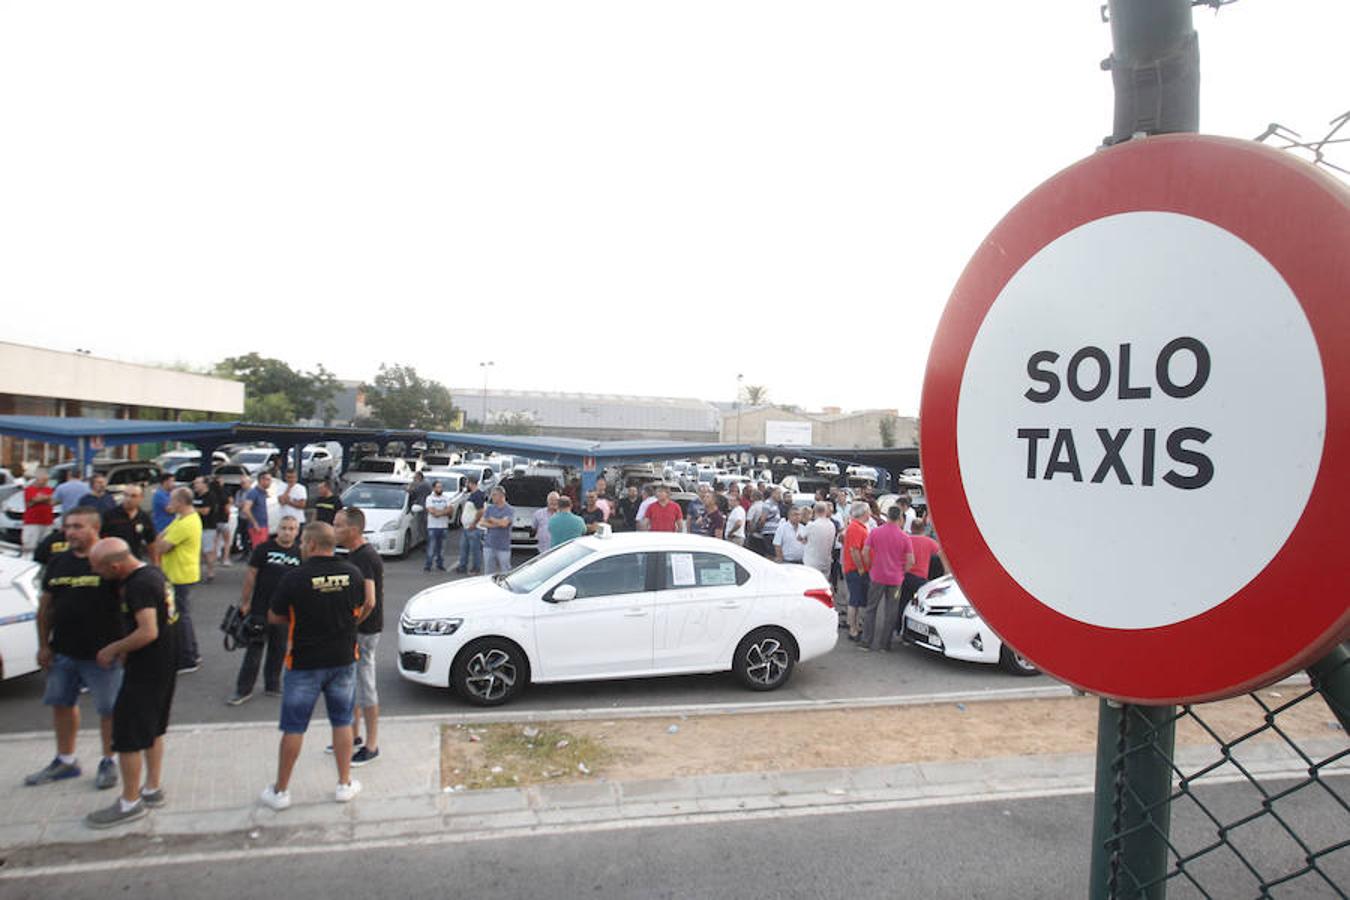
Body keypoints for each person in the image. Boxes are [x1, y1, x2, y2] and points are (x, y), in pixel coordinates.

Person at [260, 522, 371, 810]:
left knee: (294, 727)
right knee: (343, 722)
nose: (299, 546)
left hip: (303, 663)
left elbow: (274, 616)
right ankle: (344, 784)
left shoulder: (294, 577)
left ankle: (281, 791)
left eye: (302, 542)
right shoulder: (352, 572)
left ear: (310, 544)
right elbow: (363, 605)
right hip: (343, 659)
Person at [24, 509, 124, 792]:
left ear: (95, 529)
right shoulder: (58, 562)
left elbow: (130, 605)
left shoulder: (109, 560)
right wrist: (44, 645)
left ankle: (109, 761)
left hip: (103, 655)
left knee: (109, 710)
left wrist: (124, 646)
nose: (70, 532)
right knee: (62, 705)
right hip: (63, 652)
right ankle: (65, 760)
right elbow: (46, 607)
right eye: (67, 526)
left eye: (77, 526)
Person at [84, 537, 178, 828]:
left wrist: (113, 649)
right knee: (153, 729)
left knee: (127, 736)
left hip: (147, 669)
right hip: (165, 664)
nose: (99, 574)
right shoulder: (153, 573)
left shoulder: (138, 585)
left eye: (100, 569)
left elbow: (148, 631)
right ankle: (151, 788)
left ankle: (129, 802)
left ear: (115, 565)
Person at [228, 516, 301, 705]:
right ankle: (243, 690)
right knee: (254, 650)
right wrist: (245, 602)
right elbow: (251, 575)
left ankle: (272, 685)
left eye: (291, 528)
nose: (287, 532)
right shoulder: (264, 549)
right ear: (278, 529)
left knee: (278, 649)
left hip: (284, 612)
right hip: (260, 609)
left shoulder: (300, 553)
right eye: (284, 528)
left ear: (297, 531)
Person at [336, 508, 384, 767]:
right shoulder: (355, 554)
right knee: (351, 683)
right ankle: (352, 736)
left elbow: (370, 601)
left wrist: (352, 625)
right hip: (357, 630)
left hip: (365, 632)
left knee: (365, 686)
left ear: (353, 530)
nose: (334, 530)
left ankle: (371, 745)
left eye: (338, 526)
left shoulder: (365, 557)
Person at [150, 487, 202, 674]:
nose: (168, 504)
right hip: (176, 572)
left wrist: (161, 542)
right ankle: (193, 652)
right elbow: (160, 538)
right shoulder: (181, 519)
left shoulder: (185, 523)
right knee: (181, 614)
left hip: (180, 574)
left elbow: (162, 546)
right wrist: (161, 541)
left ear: (181, 502)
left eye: (172, 500)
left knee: (180, 616)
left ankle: (187, 657)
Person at [859, 506, 915, 652]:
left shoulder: (876, 532)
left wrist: (871, 567)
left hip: (877, 576)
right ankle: (885, 644)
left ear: (888, 516)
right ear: (901, 518)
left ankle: (866, 641)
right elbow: (911, 561)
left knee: (871, 608)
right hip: (895, 580)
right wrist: (902, 572)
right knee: (891, 611)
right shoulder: (904, 537)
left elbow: (865, 552)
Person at [101, 485, 155, 560]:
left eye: (133, 496)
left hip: (135, 560)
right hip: (113, 560)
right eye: (126, 495)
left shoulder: (144, 517)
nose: (128, 499)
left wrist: (155, 563)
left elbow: (151, 541)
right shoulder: (110, 515)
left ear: (141, 498)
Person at [842, 502, 871, 642]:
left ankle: (855, 626)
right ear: (864, 513)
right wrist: (861, 568)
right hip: (855, 569)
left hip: (857, 568)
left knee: (857, 600)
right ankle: (852, 629)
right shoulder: (855, 528)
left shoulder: (857, 527)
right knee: (855, 600)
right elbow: (854, 550)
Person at [191, 476, 223, 582]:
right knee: (196, 552)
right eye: (195, 483)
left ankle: (210, 573)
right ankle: (196, 573)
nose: (195, 485)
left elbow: (206, 511)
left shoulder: (210, 496)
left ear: (204, 484)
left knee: (208, 551)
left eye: (197, 483)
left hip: (208, 527)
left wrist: (193, 510)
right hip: (195, 527)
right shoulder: (194, 496)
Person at [454, 476, 486, 575]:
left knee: (475, 549)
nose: (466, 485)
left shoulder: (477, 495)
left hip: (474, 528)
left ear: (471, 483)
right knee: (464, 548)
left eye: (467, 483)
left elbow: (481, 511)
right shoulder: (471, 495)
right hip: (467, 527)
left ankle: (476, 568)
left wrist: (474, 523)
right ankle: (462, 566)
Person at [21, 469, 55, 557]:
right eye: (43, 480)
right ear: (37, 479)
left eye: (46, 480)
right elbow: (30, 502)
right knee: (30, 545)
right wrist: (43, 498)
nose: (45, 482)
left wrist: (41, 498)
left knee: (46, 545)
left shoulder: (49, 489)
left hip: (47, 522)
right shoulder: (29, 489)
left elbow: (51, 501)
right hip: (32, 522)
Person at [481, 487, 514, 574]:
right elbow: (482, 523)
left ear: (502, 496)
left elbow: (504, 524)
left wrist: (492, 519)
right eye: (492, 495)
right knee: (488, 571)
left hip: (503, 547)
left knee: (505, 571)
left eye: (495, 495)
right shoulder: (489, 508)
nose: (492, 497)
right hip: (489, 545)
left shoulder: (509, 510)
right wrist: (497, 523)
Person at [423, 480, 452, 572]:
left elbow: (450, 510)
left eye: (441, 487)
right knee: (431, 547)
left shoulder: (446, 498)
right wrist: (444, 511)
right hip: (432, 527)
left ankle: (440, 564)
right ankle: (428, 564)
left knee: (441, 548)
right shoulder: (429, 498)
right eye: (438, 487)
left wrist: (439, 512)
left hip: (443, 526)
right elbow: (431, 511)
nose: (440, 489)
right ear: (434, 488)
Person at [802, 501, 836, 580]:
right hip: (826, 561)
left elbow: (800, 536)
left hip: (811, 562)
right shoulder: (831, 525)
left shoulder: (811, 525)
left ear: (814, 511)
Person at [241, 471, 272, 551]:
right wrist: (254, 523)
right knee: (259, 549)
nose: (270, 483)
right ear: (261, 480)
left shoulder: (262, 493)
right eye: (268, 480)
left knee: (263, 548)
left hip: (263, 525)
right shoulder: (253, 493)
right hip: (257, 526)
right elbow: (246, 509)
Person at [406, 471, 432, 536]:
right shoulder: (426, 483)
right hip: (423, 505)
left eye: (415, 477)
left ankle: (425, 537)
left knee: (423, 524)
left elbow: (412, 491)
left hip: (422, 506)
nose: (414, 479)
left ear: (419, 477)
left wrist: (407, 488)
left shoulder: (423, 484)